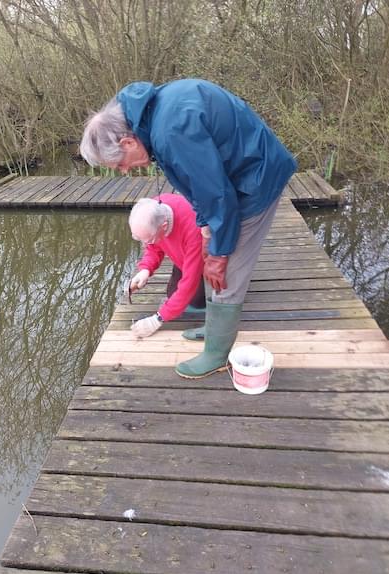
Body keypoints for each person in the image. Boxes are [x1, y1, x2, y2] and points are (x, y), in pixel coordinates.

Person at [80, 78, 297, 378]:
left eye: (120, 164)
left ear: (127, 142)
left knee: (228, 270)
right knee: (213, 252)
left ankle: (218, 354)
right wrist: (206, 227)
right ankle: (213, 327)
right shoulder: (153, 119)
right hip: (237, 176)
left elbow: (218, 194)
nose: (125, 170)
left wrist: (220, 253)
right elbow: (197, 184)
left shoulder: (171, 131)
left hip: (256, 180)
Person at [128, 194, 205, 339]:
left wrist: (157, 319)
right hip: (183, 258)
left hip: (205, 261)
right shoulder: (153, 210)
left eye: (149, 238)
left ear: (164, 226)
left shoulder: (193, 227)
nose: (146, 243)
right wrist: (145, 270)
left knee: (196, 300)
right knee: (172, 295)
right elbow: (152, 247)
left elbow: (189, 281)